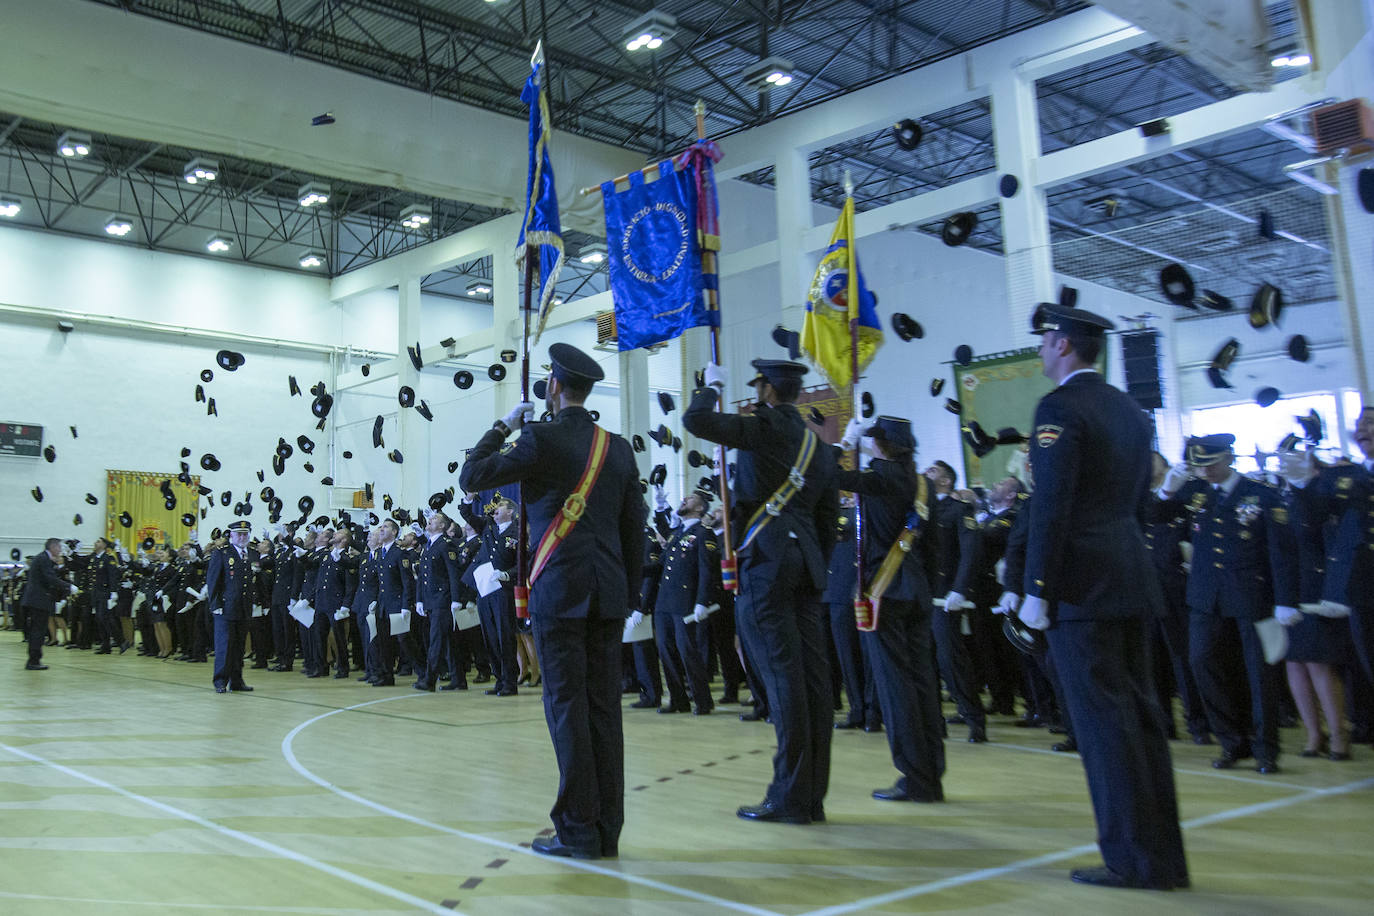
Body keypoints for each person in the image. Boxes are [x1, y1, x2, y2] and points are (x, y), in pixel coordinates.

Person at [1018, 301, 1187, 891]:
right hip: (1130, 578)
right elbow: (1140, 505)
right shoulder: (1129, 410)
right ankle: (1162, 855)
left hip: (1082, 588)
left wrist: (1036, 588)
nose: (1041, 350)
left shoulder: (1059, 408)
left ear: (1064, 345)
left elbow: (1052, 505)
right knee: (1140, 721)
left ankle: (1131, 859)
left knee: (1103, 728)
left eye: (1044, 341)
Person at [460, 342, 644, 860]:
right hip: (607, 595)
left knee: (566, 710)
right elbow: (635, 527)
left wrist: (502, 427)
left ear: (554, 388)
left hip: (558, 592)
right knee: (605, 710)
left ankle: (577, 830)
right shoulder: (618, 447)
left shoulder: (538, 439)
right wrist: (628, 594)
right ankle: (607, 828)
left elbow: (472, 478)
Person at [683, 358, 837, 825]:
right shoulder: (817, 443)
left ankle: (789, 796)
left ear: (768, 389)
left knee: (781, 677)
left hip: (766, 563)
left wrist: (711, 388)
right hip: (806, 564)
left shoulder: (761, 426)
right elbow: (828, 520)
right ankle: (811, 795)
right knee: (813, 681)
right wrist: (812, 562)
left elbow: (695, 421)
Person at [1157, 434, 1297, 773]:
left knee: (1258, 674)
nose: (1205, 472)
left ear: (1228, 458)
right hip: (1207, 597)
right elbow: (1156, 518)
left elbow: (1281, 552)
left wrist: (1285, 600)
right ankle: (1232, 742)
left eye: (1211, 464)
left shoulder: (1261, 495)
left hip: (1251, 596)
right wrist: (1166, 490)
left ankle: (1265, 750)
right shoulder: (1196, 494)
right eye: (1199, 466)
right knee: (1202, 662)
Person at [835, 414, 945, 803]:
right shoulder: (923, 483)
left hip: (884, 592)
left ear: (879, 444)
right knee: (922, 683)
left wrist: (846, 442)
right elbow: (931, 545)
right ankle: (931, 772)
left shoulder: (879, 477)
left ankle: (913, 777)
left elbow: (830, 474)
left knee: (895, 686)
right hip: (915, 591)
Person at [204, 520, 257, 693]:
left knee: (239, 647)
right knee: (224, 646)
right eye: (239, 534)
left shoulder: (252, 554)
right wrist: (215, 603)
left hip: (244, 607)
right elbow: (213, 581)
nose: (242, 537)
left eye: (245, 533)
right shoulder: (222, 553)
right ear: (231, 535)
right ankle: (220, 680)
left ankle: (237, 680)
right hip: (225, 607)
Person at [19, 538, 73, 670]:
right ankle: (33, 661)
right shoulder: (43, 559)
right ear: (53, 547)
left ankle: (34, 659)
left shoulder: (42, 558)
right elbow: (50, 578)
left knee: (37, 630)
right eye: (59, 547)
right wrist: (69, 587)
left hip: (36, 600)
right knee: (38, 630)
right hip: (39, 600)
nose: (60, 550)